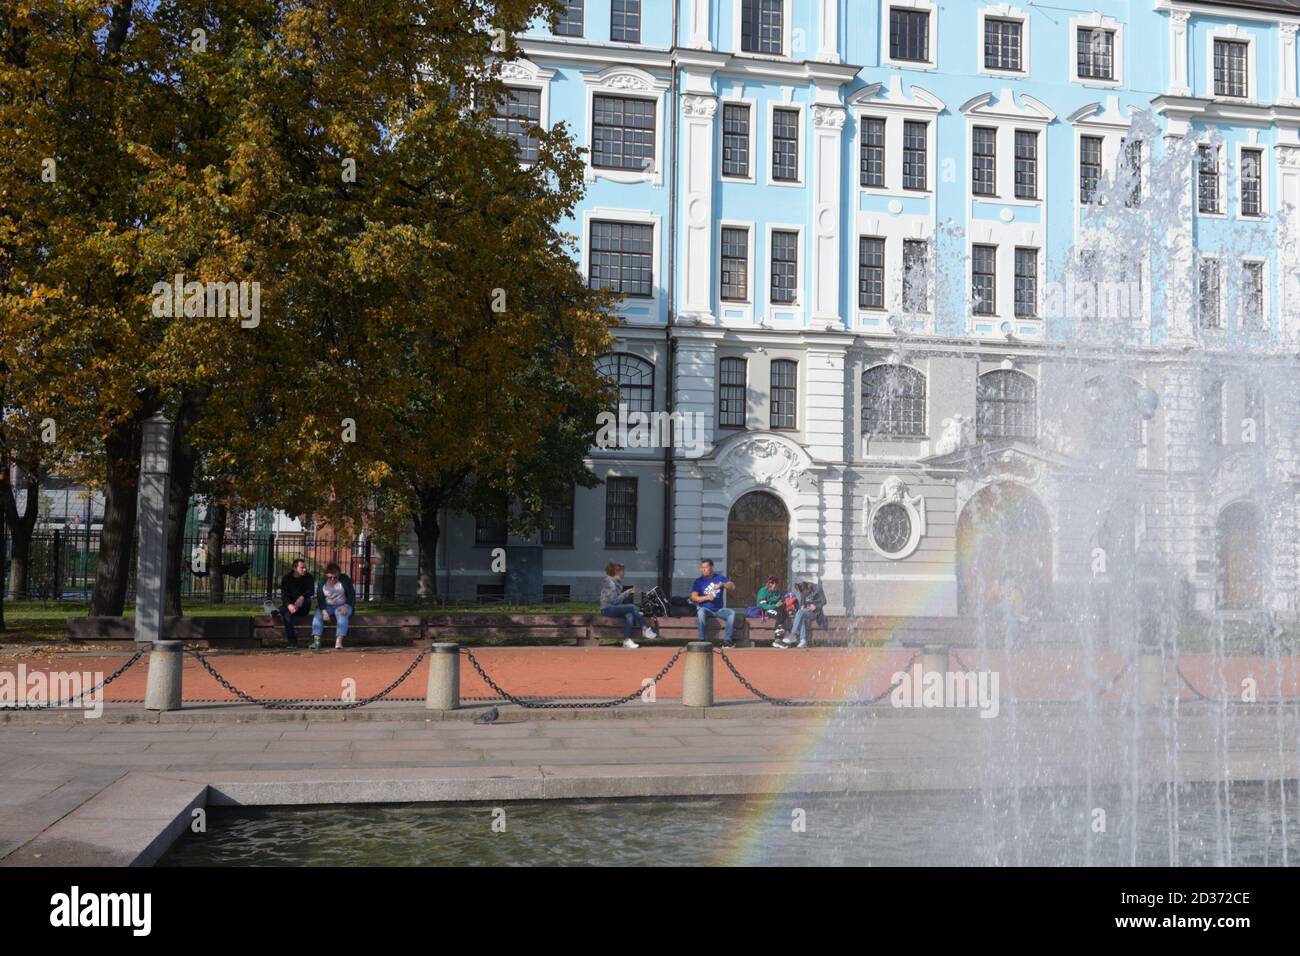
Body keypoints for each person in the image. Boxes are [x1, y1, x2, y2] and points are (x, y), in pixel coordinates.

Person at [599, 562, 657, 649]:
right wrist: (626, 593)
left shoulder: (616, 583)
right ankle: (645, 628)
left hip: (613, 608)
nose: (624, 573)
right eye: (622, 571)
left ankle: (626, 641)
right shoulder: (610, 583)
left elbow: (617, 602)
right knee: (632, 607)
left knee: (629, 615)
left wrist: (627, 592)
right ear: (617, 572)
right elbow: (614, 602)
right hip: (607, 609)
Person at [691, 559, 736, 644]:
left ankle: (728, 641)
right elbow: (693, 597)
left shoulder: (719, 578)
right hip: (705, 609)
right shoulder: (699, 581)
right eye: (702, 567)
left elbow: (732, 587)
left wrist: (723, 584)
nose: (703, 569)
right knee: (700, 612)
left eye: (706, 567)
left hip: (719, 610)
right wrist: (706, 597)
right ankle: (702, 640)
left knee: (731, 613)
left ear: (711, 568)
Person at [312, 562, 356, 650]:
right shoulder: (322, 583)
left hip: (343, 605)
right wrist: (324, 611)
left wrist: (346, 606)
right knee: (318, 615)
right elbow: (320, 598)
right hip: (328, 606)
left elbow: (351, 594)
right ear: (326, 576)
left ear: (339, 574)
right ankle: (316, 640)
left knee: (342, 614)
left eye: (335, 577)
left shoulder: (345, 579)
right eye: (330, 577)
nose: (332, 579)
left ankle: (339, 641)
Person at [273, 558, 314, 650]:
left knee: (306, 600)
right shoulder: (287, 578)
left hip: (303, 607)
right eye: (302, 568)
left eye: (305, 568)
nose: (305, 569)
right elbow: (284, 595)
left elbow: (311, 591)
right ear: (295, 568)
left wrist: (302, 597)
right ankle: (292, 642)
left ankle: (279, 611)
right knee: (287, 615)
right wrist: (289, 605)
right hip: (291, 607)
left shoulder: (309, 577)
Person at [775, 580, 826, 649]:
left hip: (816, 612)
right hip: (807, 611)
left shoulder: (818, 588)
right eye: (803, 593)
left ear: (808, 588)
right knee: (801, 613)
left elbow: (824, 601)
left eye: (805, 593)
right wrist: (802, 606)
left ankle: (793, 635)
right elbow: (802, 602)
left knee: (800, 613)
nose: (805, 594)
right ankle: (803, 640)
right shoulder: (803, 589)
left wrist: (816, 607)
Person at [755, 575, 789, 639]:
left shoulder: (777, 592)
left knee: (784, 612)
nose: (774, 585)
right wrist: (775, 605)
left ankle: (782, 637)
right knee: (778, 614)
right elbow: (763, 605)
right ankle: (778, 639)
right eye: (772, 583)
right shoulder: (763, 591)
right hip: (764, 610)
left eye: (776, 584)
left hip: (776, 609)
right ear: (768, 584)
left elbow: (782, 601)